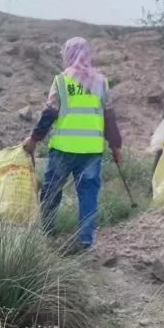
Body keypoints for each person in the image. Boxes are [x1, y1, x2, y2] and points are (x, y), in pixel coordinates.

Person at [22, 37, 124, 251]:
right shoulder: (101, 82)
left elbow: (49, 113)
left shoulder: (61, 80)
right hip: (91, 152)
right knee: (88, 195)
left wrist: (33, 139)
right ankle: (85, 242)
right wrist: (115, 146)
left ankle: (47, 235)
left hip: (63, 149)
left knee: (51, 192)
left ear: (68, 55)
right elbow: (109, 117)